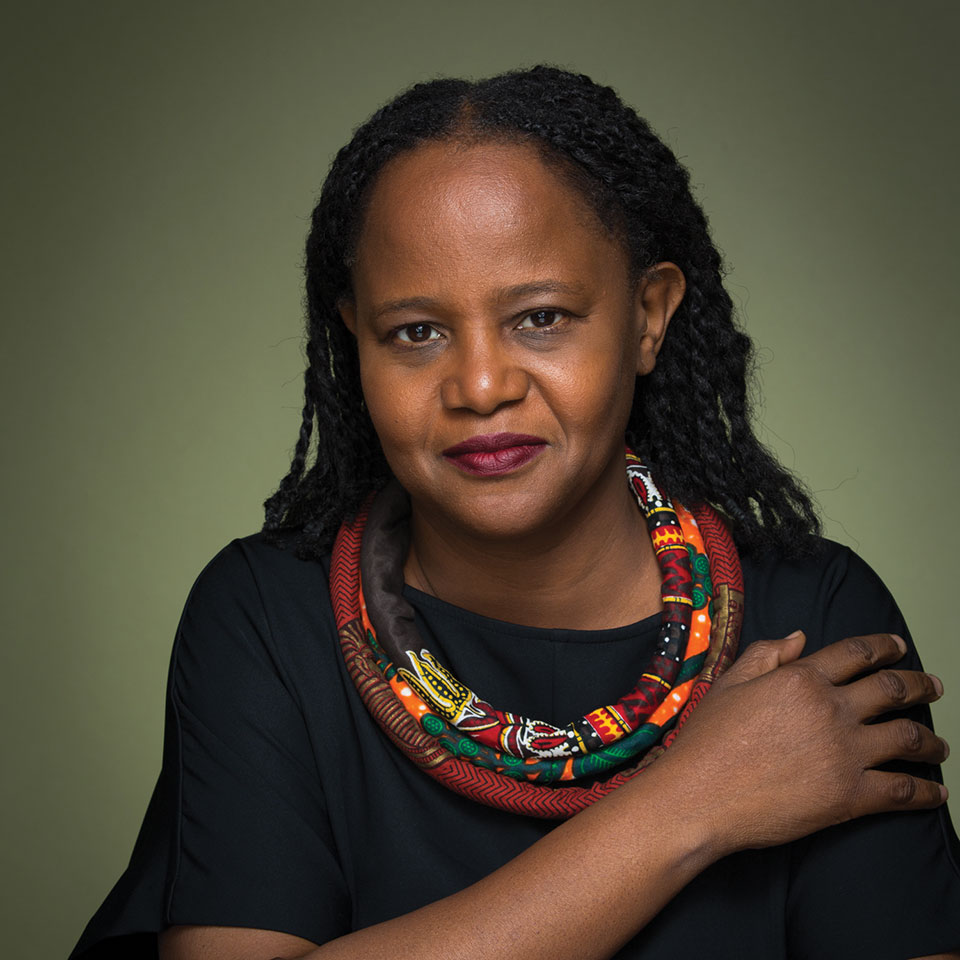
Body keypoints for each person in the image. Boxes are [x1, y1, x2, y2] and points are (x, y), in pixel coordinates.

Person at [70, 66, 960, 960]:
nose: (481, 386)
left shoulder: (815, 618)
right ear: (357, 345)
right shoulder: (267, 615)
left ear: (649, 318)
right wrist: (691, 803)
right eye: (416, 332)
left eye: (540, 317)